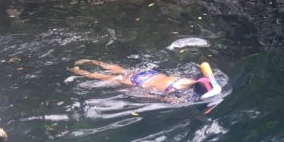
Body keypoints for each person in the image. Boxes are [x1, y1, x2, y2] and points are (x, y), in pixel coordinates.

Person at [71, 59, 220, 98]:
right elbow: (159, 98)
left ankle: (92, 61)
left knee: (121, 70)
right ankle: (79, 72)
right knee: (106, 78)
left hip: (149, 74)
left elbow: (205, 66)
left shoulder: (187, 80)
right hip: (141, 83)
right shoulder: (179, 94)